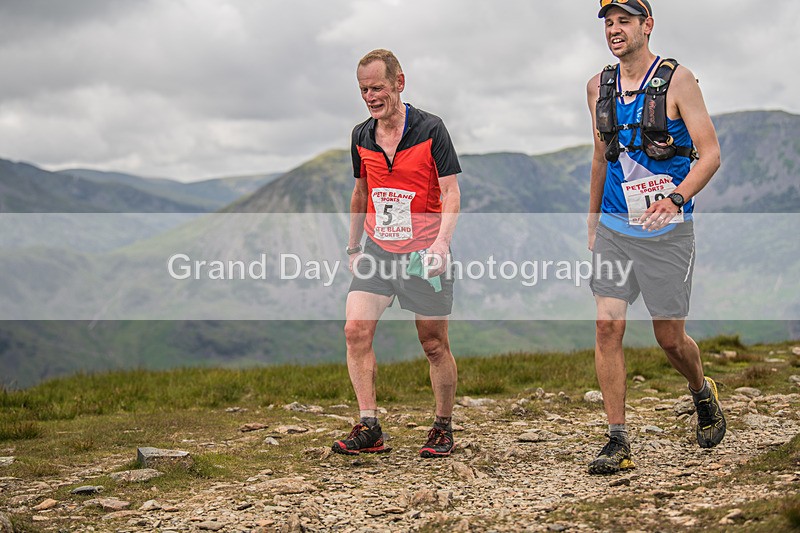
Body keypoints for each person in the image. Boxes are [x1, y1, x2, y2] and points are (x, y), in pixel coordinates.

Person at [585, 0, 725, 474]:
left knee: (669, 338)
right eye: (608, 22)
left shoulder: (678, 80)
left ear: (647, 25)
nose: (615, 29)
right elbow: (602, 156)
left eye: (624, 20)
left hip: (667, 230)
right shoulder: (597, 87)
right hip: (614, 227)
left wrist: (676, 199)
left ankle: (701, 391)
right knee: (607, 325)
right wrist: (591, 220)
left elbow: (710, 155)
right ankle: (617, 439)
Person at [332, 49, 461, 458]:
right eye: (363, 90)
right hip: (378, 250)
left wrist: (441, 244)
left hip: (425, 253)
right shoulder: (361, 136)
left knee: (434, 343)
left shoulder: (431, 129)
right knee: (355, 330)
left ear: (399, 83)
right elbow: (361, 193)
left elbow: (451, 192)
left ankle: (442, 427)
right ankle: (369, 426)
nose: (370, 97)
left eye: (378, 88)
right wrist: (354, 246)